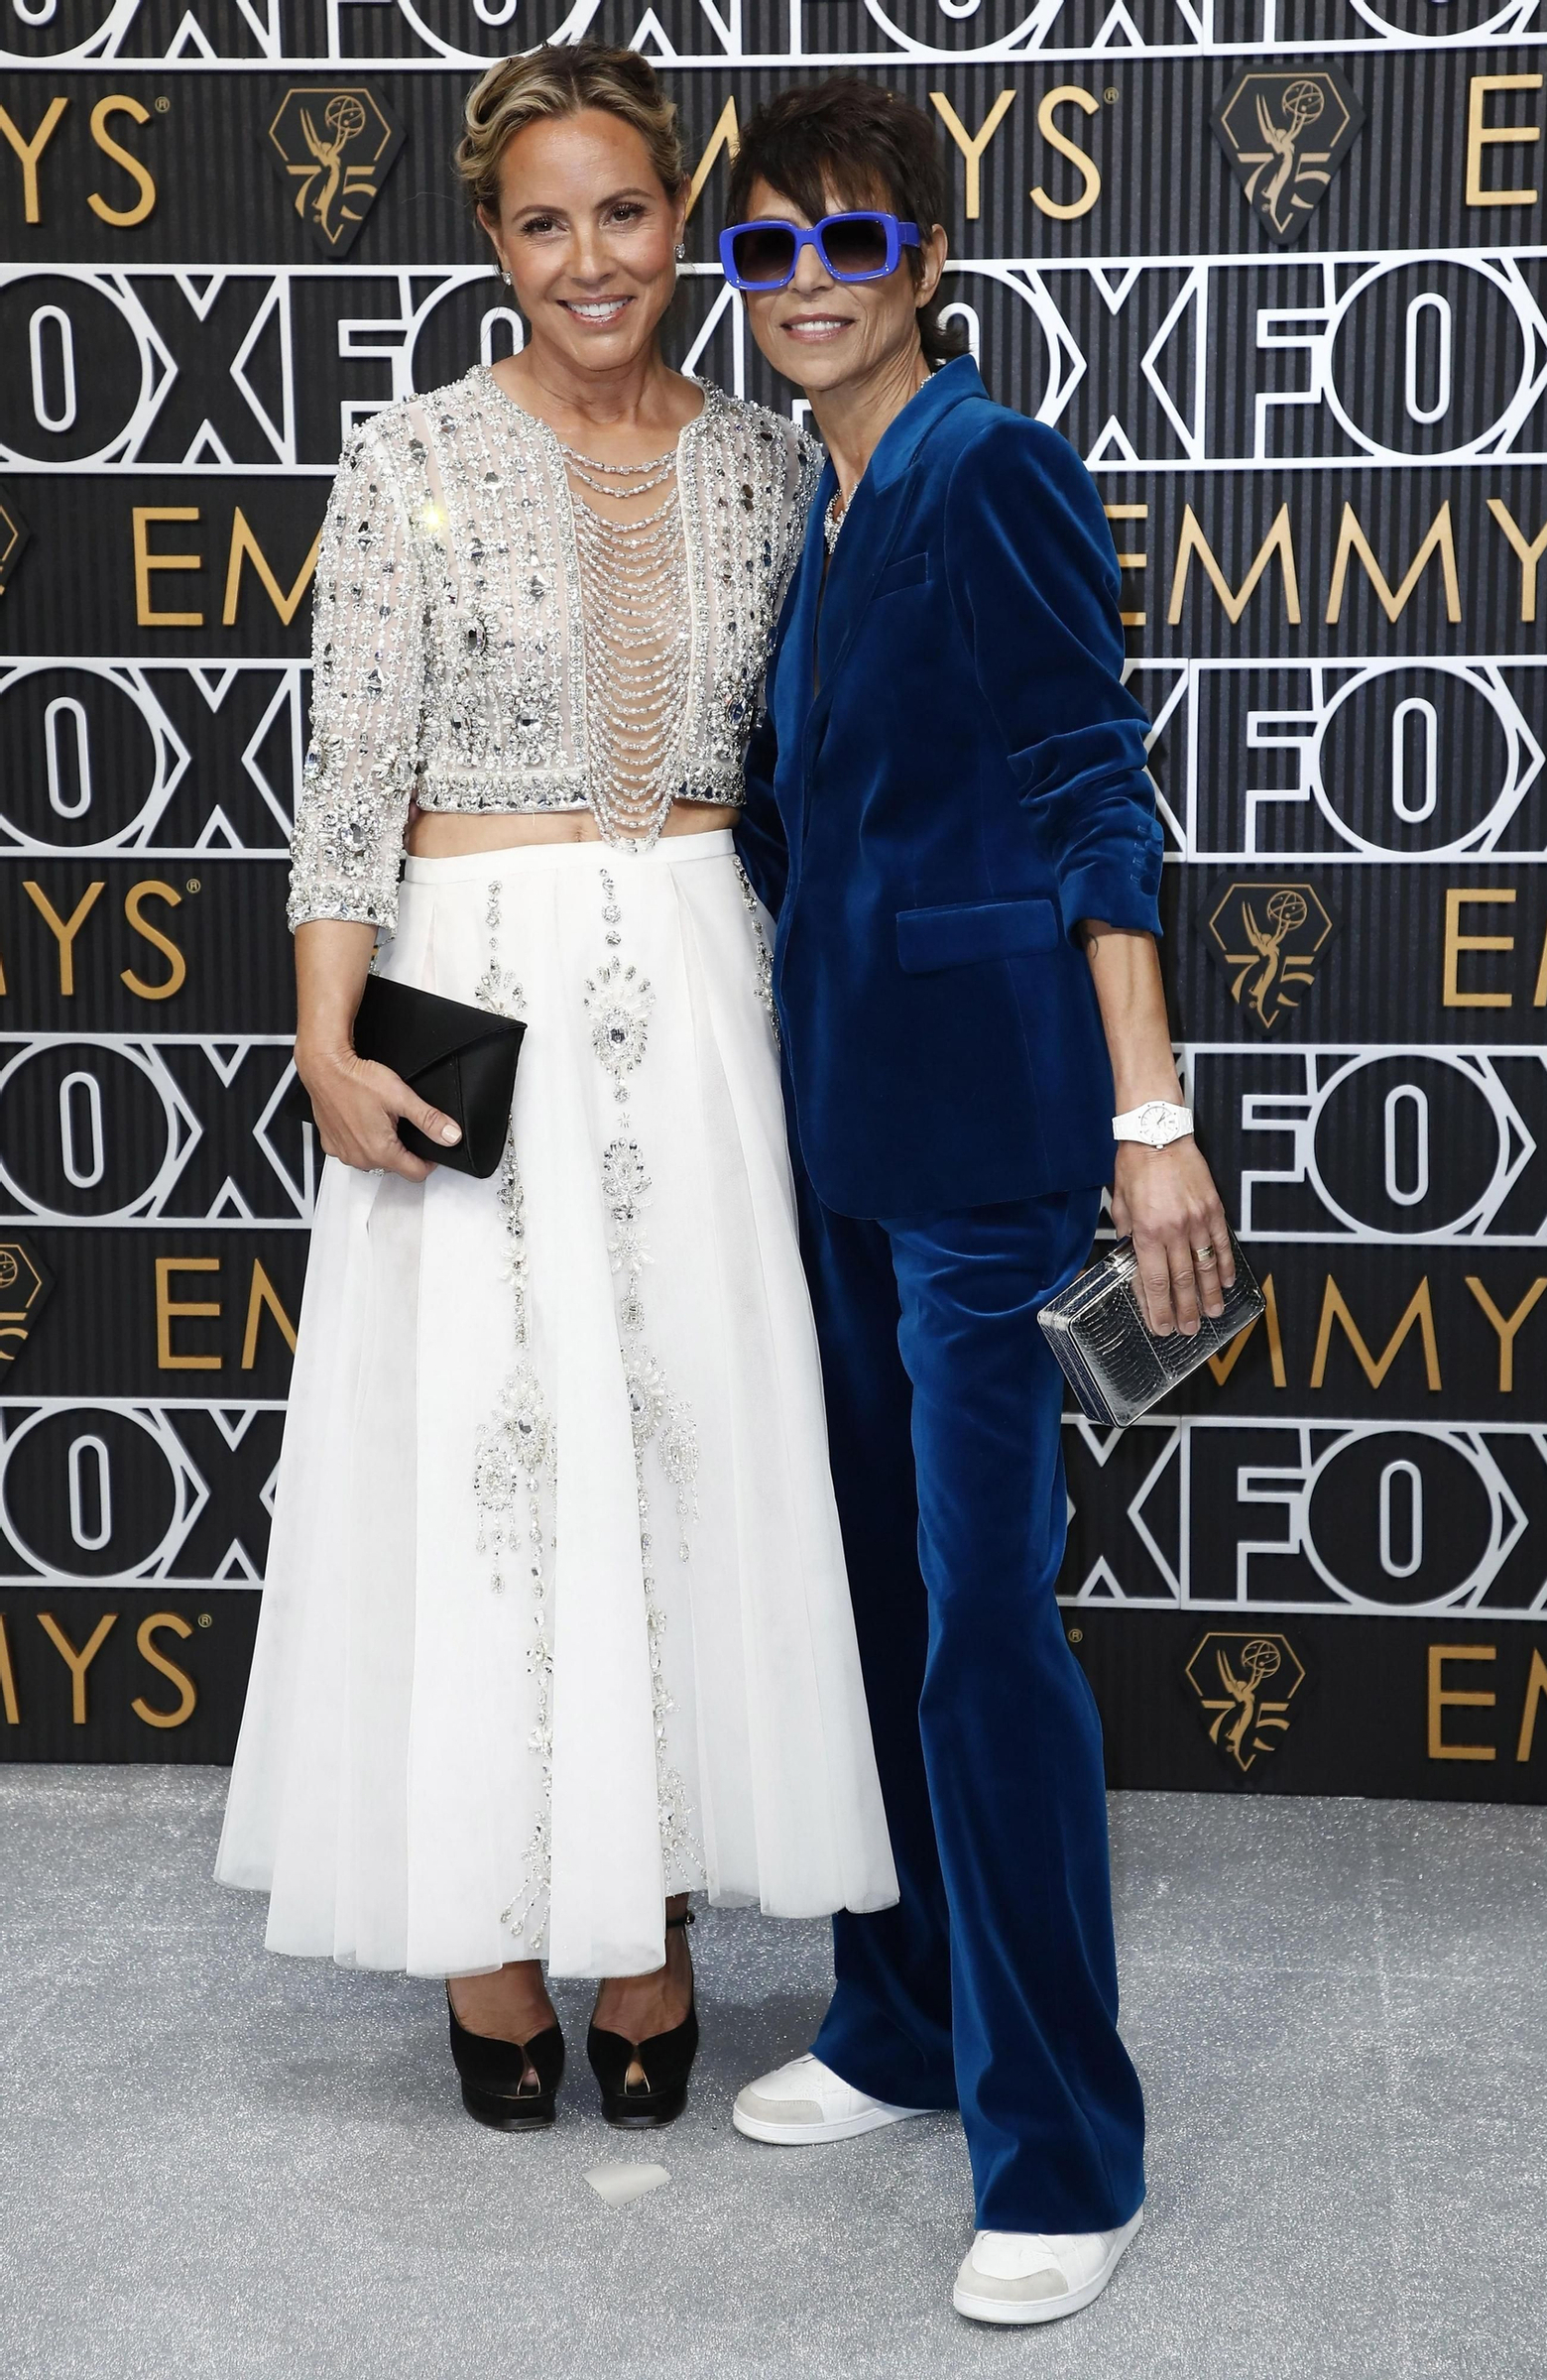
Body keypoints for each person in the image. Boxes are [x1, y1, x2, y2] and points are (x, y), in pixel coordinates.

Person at [214, 44, 896, 2137]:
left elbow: (813, 775)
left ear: (678, 225)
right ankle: (493, 1935)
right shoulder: (407, 457)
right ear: (490, 243)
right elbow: (347, 788)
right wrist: (327, 1039)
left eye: (622, 211)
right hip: (468, 998)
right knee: (489, 1473)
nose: (588, 257)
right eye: (541, 220)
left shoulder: (771, 467)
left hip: (700, 1002)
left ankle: (655, 1921)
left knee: (680, 1458)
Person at [720, 82, 1236, 2323]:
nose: (808, 286)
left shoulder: (982, 464)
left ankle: (1060, 2144)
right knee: (864, 1605)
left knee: (982, 1639)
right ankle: (908, 2017)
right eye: (768, 253)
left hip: (994, 1148)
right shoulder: (825, 509)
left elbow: (1084, 789)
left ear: (922, 256)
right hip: (836, 1134)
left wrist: (1147, 1117)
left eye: (851, 242)